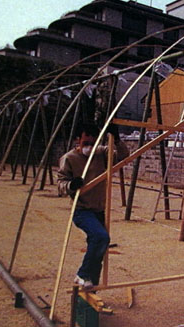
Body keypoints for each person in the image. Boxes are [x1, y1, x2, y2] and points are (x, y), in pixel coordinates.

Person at [57, 123, 129, 290]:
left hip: (99, 209)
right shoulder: (69, 158)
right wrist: (71, 185)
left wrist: (117, 139)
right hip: (82, 210)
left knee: (98, 247)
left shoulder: (101, 153)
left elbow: (123, 157)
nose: (89, 147)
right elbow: (60, 183)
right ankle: (83, 274)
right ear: (78, 140)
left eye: (92, 143)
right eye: (85, 143)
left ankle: (91, 286)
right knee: (101, 237)